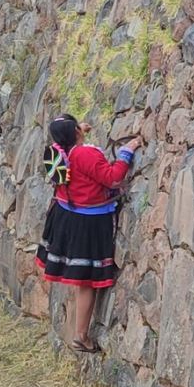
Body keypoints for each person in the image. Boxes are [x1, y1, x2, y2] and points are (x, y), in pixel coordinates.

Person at [35, 113, 139, 353]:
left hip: (65, 216)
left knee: (78, 278)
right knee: (86, 282)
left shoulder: (59, 152)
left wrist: (77, 131)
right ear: (76, 134)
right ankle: (81, 335)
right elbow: (113, 178)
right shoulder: (84, 154)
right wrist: (127, 150)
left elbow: (66, 143)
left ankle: (75, 329)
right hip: (86, 223)